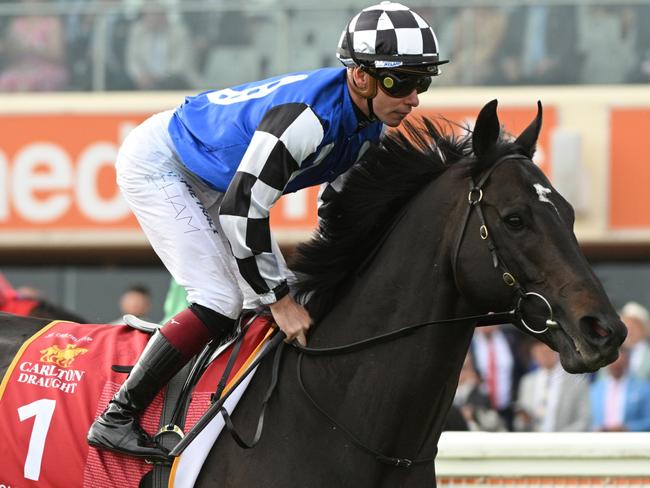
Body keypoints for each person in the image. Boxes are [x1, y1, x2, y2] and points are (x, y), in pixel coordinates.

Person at [86, 1, 448, 461]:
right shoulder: (307, 119)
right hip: (165, 164)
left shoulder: (367, 127)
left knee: (258, 301)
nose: (415, 98)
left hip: (220, 179)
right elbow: (242, 210)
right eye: (404, 82)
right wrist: (281, 300)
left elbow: (339, 211)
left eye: (424, 82)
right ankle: (117, 415)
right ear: (360, 76)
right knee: (221, 299)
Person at [514, 341, 591, 432]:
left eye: (547, 351)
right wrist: (524, 421)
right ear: (533, 353)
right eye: (539, 352)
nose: (544, 355)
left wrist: (557, 440)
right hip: (533, 442)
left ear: (557, 352)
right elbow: (518, 424)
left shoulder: (577, 382)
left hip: (563, 443)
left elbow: (584, 421)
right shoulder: (527, 381)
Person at [590, 347, 650, 432]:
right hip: (600, 440)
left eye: (619, 364)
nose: (615, 367)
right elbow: (587, 420)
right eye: (612, 364)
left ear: (627, 362)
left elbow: (648, 421)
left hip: (630, 440)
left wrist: (626, 428)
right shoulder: (595, 389)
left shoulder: (643, 388)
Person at [619, 301, 650, 380]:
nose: (629, 331)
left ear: (644, 329)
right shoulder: (611, 355)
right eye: (625, 325)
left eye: (633, 325)